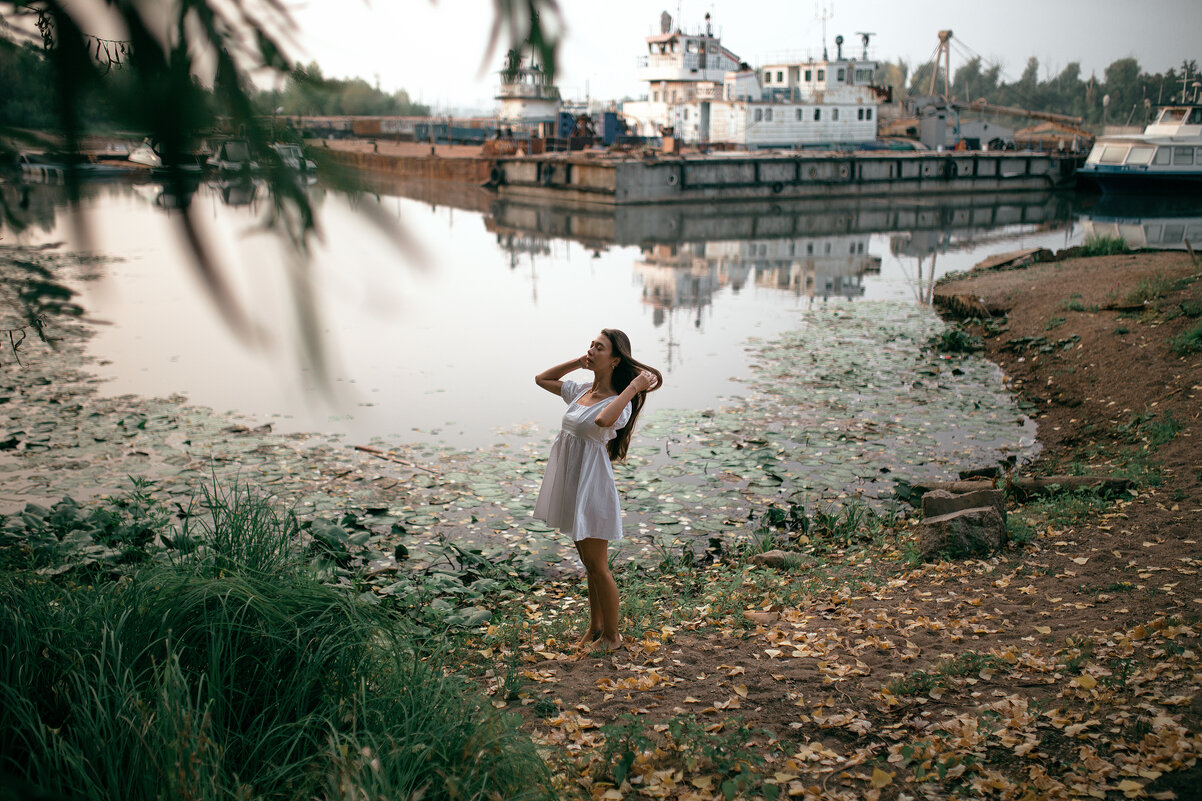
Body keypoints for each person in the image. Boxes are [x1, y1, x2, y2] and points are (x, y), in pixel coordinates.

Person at [533, 329, 662, 651]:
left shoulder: (621, 404)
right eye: (591, 344)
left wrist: (633, 388)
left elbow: (605, 421)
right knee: (589, 565)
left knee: (599, 567)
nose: (591, 349)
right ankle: (595, 628)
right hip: (572, 483)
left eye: (598, 347)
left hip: (592, 487)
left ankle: (612, 637)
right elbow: (541, 378)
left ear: (615, 360)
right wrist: (579, 362)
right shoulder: (579, 390)